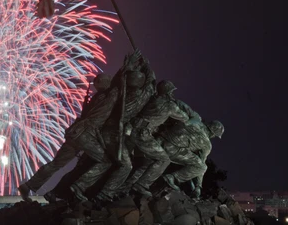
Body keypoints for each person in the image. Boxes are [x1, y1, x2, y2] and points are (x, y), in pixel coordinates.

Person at [17, 71, 120, 202]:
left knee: (56, 164)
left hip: (76, 132)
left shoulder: (96, 98)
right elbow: (118, 86)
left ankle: (28, 185)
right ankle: (79, 186)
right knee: (105, 161)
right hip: (86, 134)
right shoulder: (109, 96)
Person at [72, 52, 156, 201]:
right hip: (115, 134)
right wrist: (146, 65)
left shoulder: (121, 92)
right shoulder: (142, 95)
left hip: (105, 132)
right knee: (126, 165)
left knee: (106, 161)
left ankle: (81, 186)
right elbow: (151, 81)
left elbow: (118, 80)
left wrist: (128, 67)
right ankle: (104, 193)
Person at [127, 80, 201, 197]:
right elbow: (185, 119)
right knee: (163, 159)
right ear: (167, 93)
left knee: (141, 162)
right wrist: (196, 118)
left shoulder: (152, 99)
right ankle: (141, 185)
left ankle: (125, 188)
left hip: (130, 130)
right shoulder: (169, 105)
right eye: (171, 92)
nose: (173, 94)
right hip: (142, 134)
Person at [161, 120, 224, 199]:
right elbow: (200, 165)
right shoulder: (206, 144)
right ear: (212, 134)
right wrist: (198, 186)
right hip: (170, 149)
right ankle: (172, 177)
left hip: (160, 138)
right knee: (201, 167)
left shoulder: (196, 121)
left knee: (188, 162)